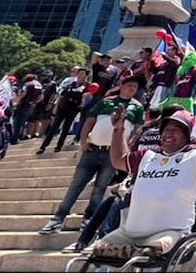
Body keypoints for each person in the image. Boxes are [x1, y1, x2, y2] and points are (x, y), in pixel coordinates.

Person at [90, 107, 196, 259]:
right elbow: (118, 160)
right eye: (166, 129)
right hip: (128, 233)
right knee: (96, 250)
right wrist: (118, 129)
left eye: (176, 130)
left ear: (186, 136)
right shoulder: (146, 156)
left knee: (151, 251)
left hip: (169, 233)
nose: (169, 133)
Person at [38, 75, 145, 235]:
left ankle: (88, 218)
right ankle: (57, 218)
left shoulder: (137, 107)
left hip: (112, 154)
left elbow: (136, 130)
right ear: (121, 86)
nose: (132, 89)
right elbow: (89, 121)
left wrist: (128, 146)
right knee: (76, 185)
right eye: (129, 85)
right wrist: (83, 141)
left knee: (100, 187)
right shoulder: (105, 101)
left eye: (135, 87)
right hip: (92, 149)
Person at [38, 67, 89, 154]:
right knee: (54, 127)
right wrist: (55, 106)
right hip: (63, 107)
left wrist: (82, 103)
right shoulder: (71, 84)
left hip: (74, 108)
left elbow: (87, 98)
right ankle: (43, 146)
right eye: (79, 73)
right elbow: (62, 95)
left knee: (66, 128)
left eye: (83, 73)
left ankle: (59, 146)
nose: (80, 75)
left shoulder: (87, 86)